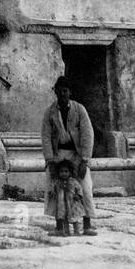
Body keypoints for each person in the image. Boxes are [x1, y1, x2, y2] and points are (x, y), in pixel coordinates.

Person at [41, 75, 97, 236]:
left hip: (77, 155)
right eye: (59, 91)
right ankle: (59, 227)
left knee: (85, 188)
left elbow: (88, 134)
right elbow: (45, 136)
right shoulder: (50, 112)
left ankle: (87, 224)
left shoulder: (79, 110)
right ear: (56, 92)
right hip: (57, 154)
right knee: (55, 190)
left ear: (70, 92)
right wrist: (50, 160)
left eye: (65, 91)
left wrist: (85, 160)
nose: (62, 94)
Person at [51, 160, 86, 236]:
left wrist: (78, 195)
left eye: (66, 171)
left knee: (75, 218)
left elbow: (79, 188)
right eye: (61, 172)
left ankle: (77, 231)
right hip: (62, 204)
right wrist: (53, 193)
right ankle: (67, 232)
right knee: (64, 218)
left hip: (72, 203)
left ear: (70, 172)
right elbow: (53, 189)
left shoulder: (73, 181)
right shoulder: (57, 182)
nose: (64, 174)